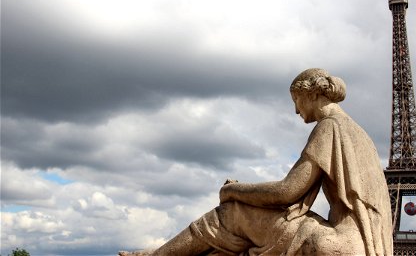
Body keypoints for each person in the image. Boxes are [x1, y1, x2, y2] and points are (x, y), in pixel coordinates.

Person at [120, 68, 393, 256]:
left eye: (296, 100)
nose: (296, 109)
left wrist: (233, 191)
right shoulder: (359, 133)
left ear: (310, 94)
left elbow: (288, 191)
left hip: (337, 244)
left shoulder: (330, 127)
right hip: (363, 246)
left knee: (232, 213)